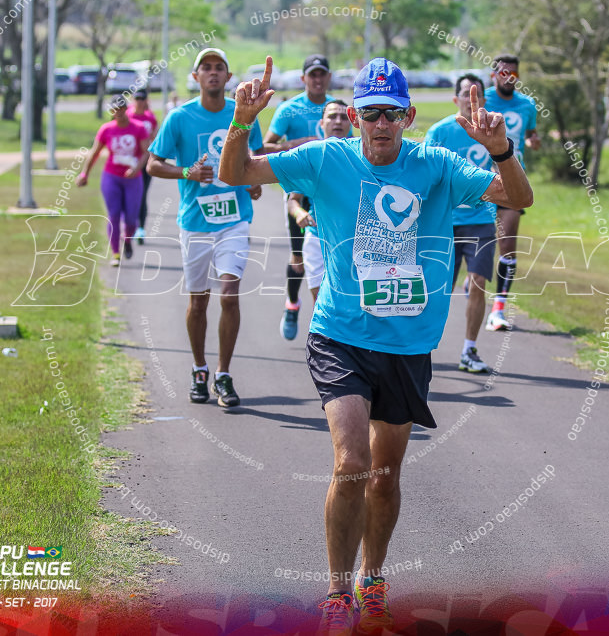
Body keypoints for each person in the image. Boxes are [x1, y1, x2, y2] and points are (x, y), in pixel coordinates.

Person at [219, 57, 532, 635]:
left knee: (385, 475)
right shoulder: (323, 158)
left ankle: (373, 577)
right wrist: (241, 119)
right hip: (340, 333)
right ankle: (337, 591)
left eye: (390, 114)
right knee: (352, 462)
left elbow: (520, 197)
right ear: (356, 116)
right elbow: (238, 174)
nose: (379, 125)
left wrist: (502, 151)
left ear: (408, 116)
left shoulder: (436, 164)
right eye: (369, 114)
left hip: (408, 342)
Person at [146, 48, 265, 408]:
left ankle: (223, 374)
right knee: (198, 302)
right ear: (195, 77)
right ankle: (199, 369)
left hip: (234, 219)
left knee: (229, 293)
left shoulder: (241, 115)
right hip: (196, 221)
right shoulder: (179, 119)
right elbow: (152, 164)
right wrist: (188, 172)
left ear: (229, 78)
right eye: (206, 68)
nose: (213, 74)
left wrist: (254, 181)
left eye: (219, 69)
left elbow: (253, 159)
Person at [424, 73, 496, 374]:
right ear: (456, 99)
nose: (471, 99)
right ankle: (422, 349)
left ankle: (469, 350)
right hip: (446, 223)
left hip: (480, 221)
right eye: (465, 93)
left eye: (476, 94)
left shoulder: (491, 132)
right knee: (440, 289)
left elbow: (504, 169)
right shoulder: (440, 132)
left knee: (479, 284)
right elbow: (423, 173)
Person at [264, 55, 335, 341]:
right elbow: (266, 146)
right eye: (312, 75)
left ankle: (334, 320)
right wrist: (300, 145)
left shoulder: (336, 109)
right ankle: (292, 304)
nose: (317, 80)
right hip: (298, 193)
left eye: (322, 75)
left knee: (335, 255)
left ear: (328, 78)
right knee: (298, 260)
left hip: (329, 192)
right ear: (304, 79)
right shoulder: (289, 109)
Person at [483, 55, 541, 331]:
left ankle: (499, 308)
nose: (508, 78)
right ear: (494, 75)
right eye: (503, 72)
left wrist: (533, 140)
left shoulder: (527, 105)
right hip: (478, 181)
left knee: (506, 243)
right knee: (471, 242)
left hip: (511, 183)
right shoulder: (482, 100)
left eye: (513, 74)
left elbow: (530, 133)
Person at [285, 99, 352, 306]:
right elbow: (293, 201)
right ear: (321, 123)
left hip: (352, 240)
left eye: (343, 117)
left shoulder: (361, 155)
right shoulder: (310, 158)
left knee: (352, 305)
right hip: (317, 241)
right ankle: (293, 306)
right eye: (332, 116)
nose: (338, 121)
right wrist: (300, 214)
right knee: (323, 305)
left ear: (352, 122)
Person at [77, 95, 149, 266]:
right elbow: (94, 153)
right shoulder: (106, 129)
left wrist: (136, 168)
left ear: (126, 109)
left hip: (133, 178)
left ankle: (128, 239)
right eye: (115, 109)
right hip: (111, 176)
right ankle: (115, 253)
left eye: (121, 108)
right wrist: (84, 174)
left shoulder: (138, 128)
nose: (119, 112)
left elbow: (147, 152)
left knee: (131, 218)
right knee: (114, 215)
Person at [130, 90, 159, 244]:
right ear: (133, 99)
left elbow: (155, 140)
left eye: (143, 98)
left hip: (145, 162)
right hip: (129, 163)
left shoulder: (150, 118)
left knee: (141, 195)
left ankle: (140, 228)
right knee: (129, 197)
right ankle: (128, 226)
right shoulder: (127, 116)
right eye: (137, 98)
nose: (140, 101)